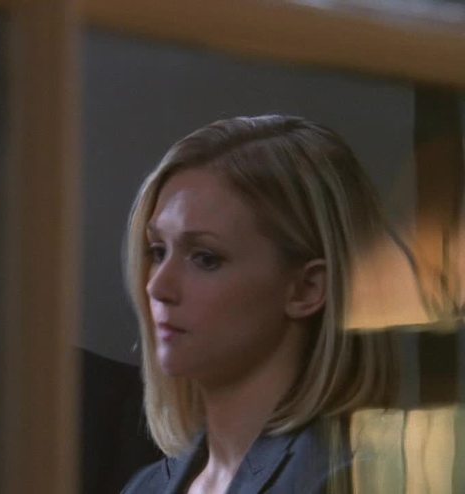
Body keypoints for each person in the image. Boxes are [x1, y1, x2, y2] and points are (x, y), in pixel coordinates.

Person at [121, 115, 402, 493]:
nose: (157, 285)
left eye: (205, 258)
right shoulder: (146, 487)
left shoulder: (353, 481)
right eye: (158, 251)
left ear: (307, 289)